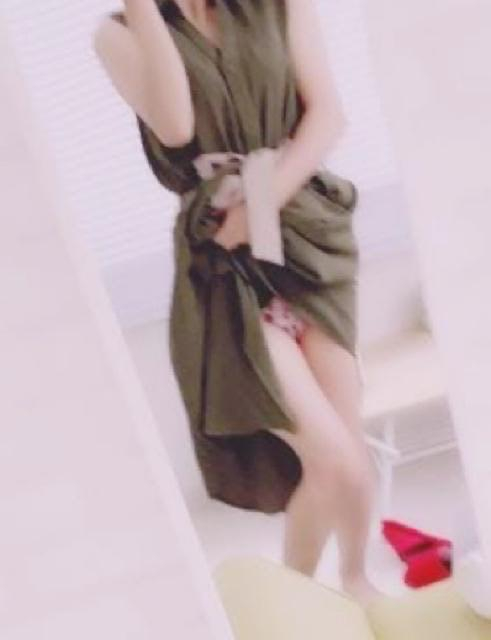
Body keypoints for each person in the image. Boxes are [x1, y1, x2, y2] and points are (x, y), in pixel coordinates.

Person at [93, 0, 381, 605]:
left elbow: (327, 115)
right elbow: (176, 126)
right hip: (223, 263)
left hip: (307, 240)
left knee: (348, 459)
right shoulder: (118, 35)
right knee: (336, 461)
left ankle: (355, 582)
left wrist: (263, 203)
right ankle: (297, 602)